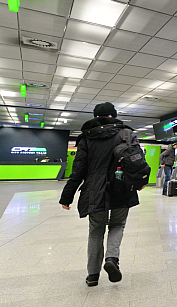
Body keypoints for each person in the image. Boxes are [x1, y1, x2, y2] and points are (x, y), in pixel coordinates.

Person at [59, 102, 144, 287]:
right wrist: (139, 183)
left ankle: (93, 276)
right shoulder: (126, 133)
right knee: (118, 225)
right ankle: (112, 259)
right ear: (113, 115)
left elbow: (78, 171)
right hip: (122, 188)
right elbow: (137, 161)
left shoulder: (86, 138)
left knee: (95, 232)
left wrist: (67, 196)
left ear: (96, 116)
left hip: (94, 191)